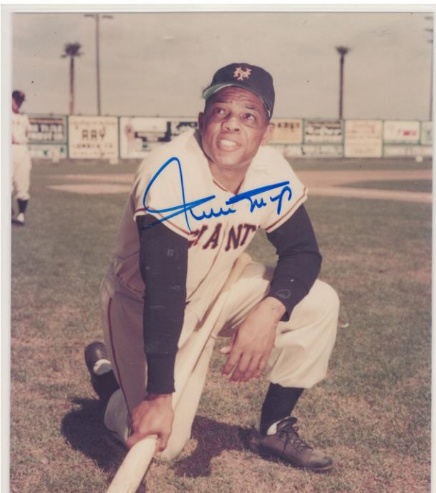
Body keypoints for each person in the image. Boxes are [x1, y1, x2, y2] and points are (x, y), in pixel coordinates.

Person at [84, 62, 340, 472]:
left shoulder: (271, 170)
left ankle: (274, 428)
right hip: (142, 305)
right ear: (202, 120)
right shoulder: (169, 171)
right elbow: (164, 290)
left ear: (266, 130)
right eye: (221, 111)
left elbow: (303, 253)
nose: (232, 125)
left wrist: (269, 311)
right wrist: (159, 396)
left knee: (319, 302)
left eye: (248, 116)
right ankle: (110, 385)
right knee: (160, 445)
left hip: (221, 287)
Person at [11, 90, 32, 226]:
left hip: (22, 149)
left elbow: (28, 133)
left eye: (20, 101)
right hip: (8, 148)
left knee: (23, 182)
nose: (18, 103)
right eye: (16, 100)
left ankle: (21, 215)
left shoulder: (24, 117)